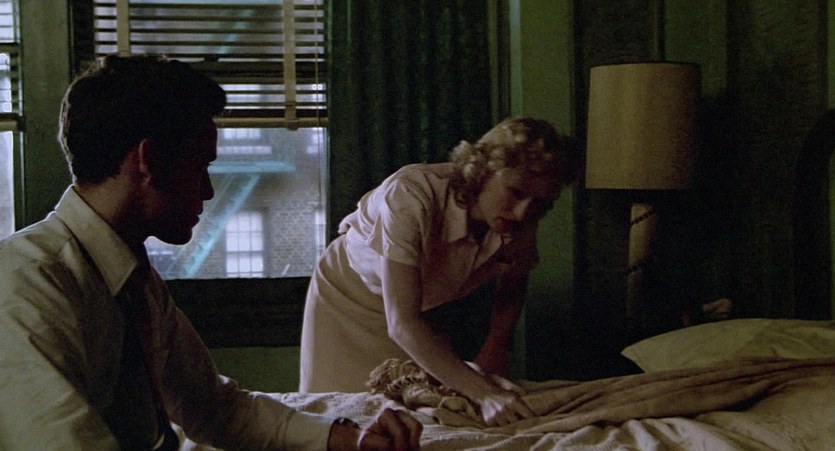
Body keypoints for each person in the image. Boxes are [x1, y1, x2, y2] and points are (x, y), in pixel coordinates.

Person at [0, 55, 422, 451]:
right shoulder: (26, 285)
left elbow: (216, 409)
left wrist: (347, 439)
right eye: (200, 165)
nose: (207, 191)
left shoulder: (133, 282)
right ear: (149, 160)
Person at [300, 116, 583, 427]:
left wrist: (493, 349)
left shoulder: (522, 217)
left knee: (421, 412)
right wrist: (485, 393)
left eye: (538, 203)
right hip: (348, 298)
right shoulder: (410, 195)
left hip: (422, 306)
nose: (522, 212)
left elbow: (513, 283)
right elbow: (402, 323)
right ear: (483, 172)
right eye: (515, 193)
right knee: (343, 419)